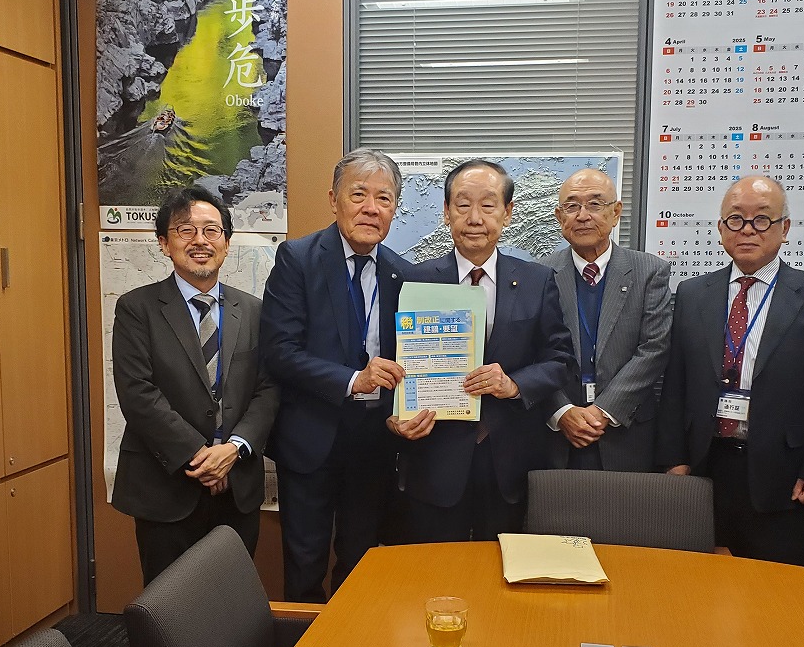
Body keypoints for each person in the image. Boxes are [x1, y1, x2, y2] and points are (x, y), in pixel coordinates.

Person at [656, 175, 804, 566]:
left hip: (783, 472)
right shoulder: (693, 294)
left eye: (761, 219)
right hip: (705, 464)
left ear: (784, 228)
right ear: (720, 228)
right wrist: (673, 458)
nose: (747, 229)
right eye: (735, 219)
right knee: (699, 578)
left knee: (778, 588)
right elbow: (675, 383)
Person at [390, 160, 575, 541]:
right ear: (446, 212)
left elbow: (560, 359)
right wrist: (394, 417)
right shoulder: (416, 280)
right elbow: (392, 360)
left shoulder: (537, 280)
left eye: (488, 205)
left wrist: (515, 384)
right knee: (436, 567)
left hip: (510, 458)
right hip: (434, 457)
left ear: (507, 213)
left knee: (504, 566)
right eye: (462, 204)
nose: (474, 218)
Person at [260, 149, 411, 602]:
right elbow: (279, 352)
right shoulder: (298, 259)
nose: (371, 208)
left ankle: (352, 644)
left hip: (374, 443)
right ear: (334, 200)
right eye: (358, 195)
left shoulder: (403, 274)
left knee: (360, 563)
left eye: (383, 198)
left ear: (395, 208)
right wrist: (352, 380)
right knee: (305, 564)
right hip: (311, 441)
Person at [112, 185, 279, 584]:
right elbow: (138, 393)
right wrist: (201, 456)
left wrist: (233, 450)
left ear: (227, 243)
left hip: (237, 484)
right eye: (185, 230)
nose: (200, 241)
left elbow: (269, 389)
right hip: (166, 486)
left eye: (211, 230)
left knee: (233, 598)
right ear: (164, 243)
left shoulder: (254, 311)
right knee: (169, 604)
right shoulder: (136, 309)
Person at [543, 169, 672, 471]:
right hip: (558, 437)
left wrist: (604, 410)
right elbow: (533, 353)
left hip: (626, 433)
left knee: (624, 504)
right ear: (560, 217)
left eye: (595, 204)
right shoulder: (540, 274)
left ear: (616, 213)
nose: (582, 215)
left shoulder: (650, 271)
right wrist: (562, 411)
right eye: (572, 206)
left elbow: (654, 348)